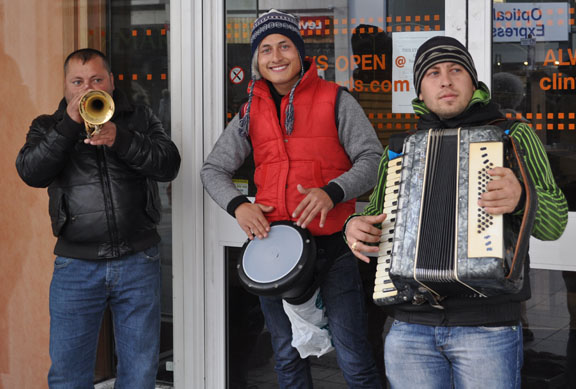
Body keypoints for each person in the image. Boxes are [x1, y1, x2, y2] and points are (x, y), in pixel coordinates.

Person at [344, 36, 568, 389]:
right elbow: (374, 219)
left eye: (455, 69)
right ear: (420, 88)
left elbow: (555, 223)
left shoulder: (512, 136)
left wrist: (523, 197)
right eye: (432, 72)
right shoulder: (400, 151)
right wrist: (353, 227)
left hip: (487, 328)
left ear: (473, 80)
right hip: (409, 327)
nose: (445, 80)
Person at [200, 9, 383, 388]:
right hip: (273, 254)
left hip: (333, 249)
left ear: (301, 53)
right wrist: (239, 206)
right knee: (286, 356)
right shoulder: (249, 112)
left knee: (354, 357)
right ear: (257, 60)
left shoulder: (336, 99)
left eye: (285, 46)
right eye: (266, 49)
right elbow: (212, 170)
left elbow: (372, 159)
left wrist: (333, 191)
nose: (276, 56)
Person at [15, 48, 181, 388]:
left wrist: (121, 139)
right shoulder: (47, 126)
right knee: (68, 375)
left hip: (138, 260)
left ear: (110, 81)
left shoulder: (139, 117)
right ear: (65, 86)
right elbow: (31, 171)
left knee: (139, 374)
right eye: (77, 81)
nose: (86, 87)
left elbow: (168, 164)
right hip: (76, 266)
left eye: (95, 79)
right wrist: (67, 129)